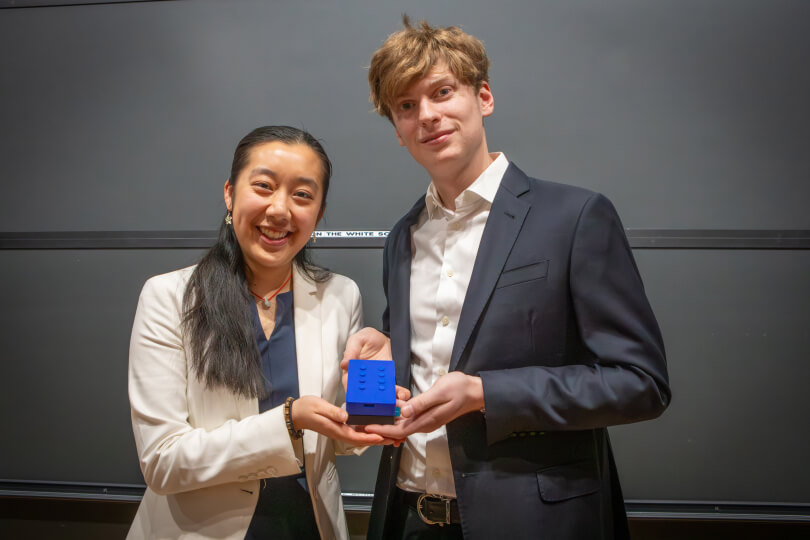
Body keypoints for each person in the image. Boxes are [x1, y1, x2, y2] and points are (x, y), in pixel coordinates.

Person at [343, 18, 672, 539]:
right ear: (398, 131)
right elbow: (425, 358)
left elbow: (641, 384)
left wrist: (484, 392)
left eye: (442, 92)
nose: (427, 115)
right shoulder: (401, 237)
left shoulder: (575, 215)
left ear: (484, 97)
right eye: (406, 107)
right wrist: (385, 348)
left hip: (534, 522)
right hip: (405, 517)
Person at [127, 126, 402, 539]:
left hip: (309, 526)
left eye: (302, 195)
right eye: (264, 186)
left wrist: (368, 416)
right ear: (229, 194)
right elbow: (163, 461)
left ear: (319, 212)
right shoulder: (170, 297)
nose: (280, 210)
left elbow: (335, 443)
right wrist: (289, 421)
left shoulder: (340, 295)